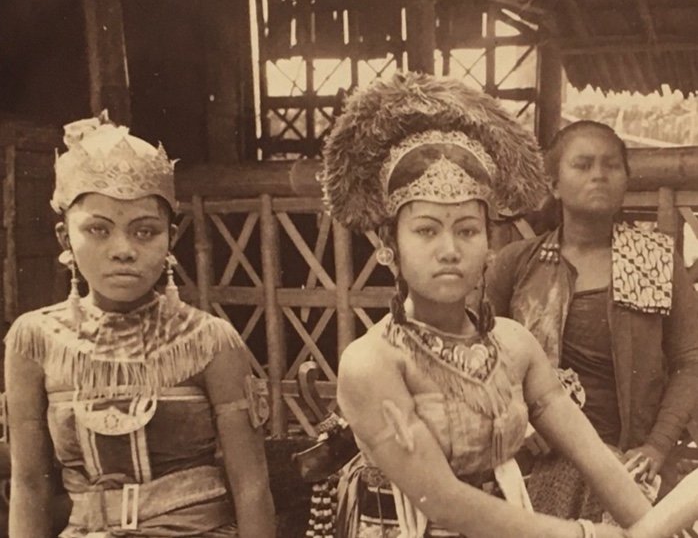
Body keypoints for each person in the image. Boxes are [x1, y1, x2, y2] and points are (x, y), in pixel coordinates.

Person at [320, 72, 653, 538]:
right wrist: (583, 535)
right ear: (388, 245)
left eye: (467, 230)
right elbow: (444, 502)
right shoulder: (372, 362)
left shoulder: (514, 346)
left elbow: (594, 458)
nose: (450, 249)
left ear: (489, 245)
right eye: (427, 230)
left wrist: (653, 525)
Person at [4, 112, 276, 538]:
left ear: (171, 238)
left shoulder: (209, 341)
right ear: (64, 239)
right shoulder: (33, 341)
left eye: (145, 232)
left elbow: (252, 487)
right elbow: (28, 485)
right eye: (98, 230)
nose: (123, 250)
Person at [486, 120, 698, 522]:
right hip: (539, 461)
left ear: (625, 180)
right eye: (582, 165)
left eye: (611, 165)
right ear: (554, 184)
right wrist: (518, 426)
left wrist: (656, 446)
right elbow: (480, 359)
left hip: (632, 465)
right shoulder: (518, 265)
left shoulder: (654, 258)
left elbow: (691, 360)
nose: (599, 175)